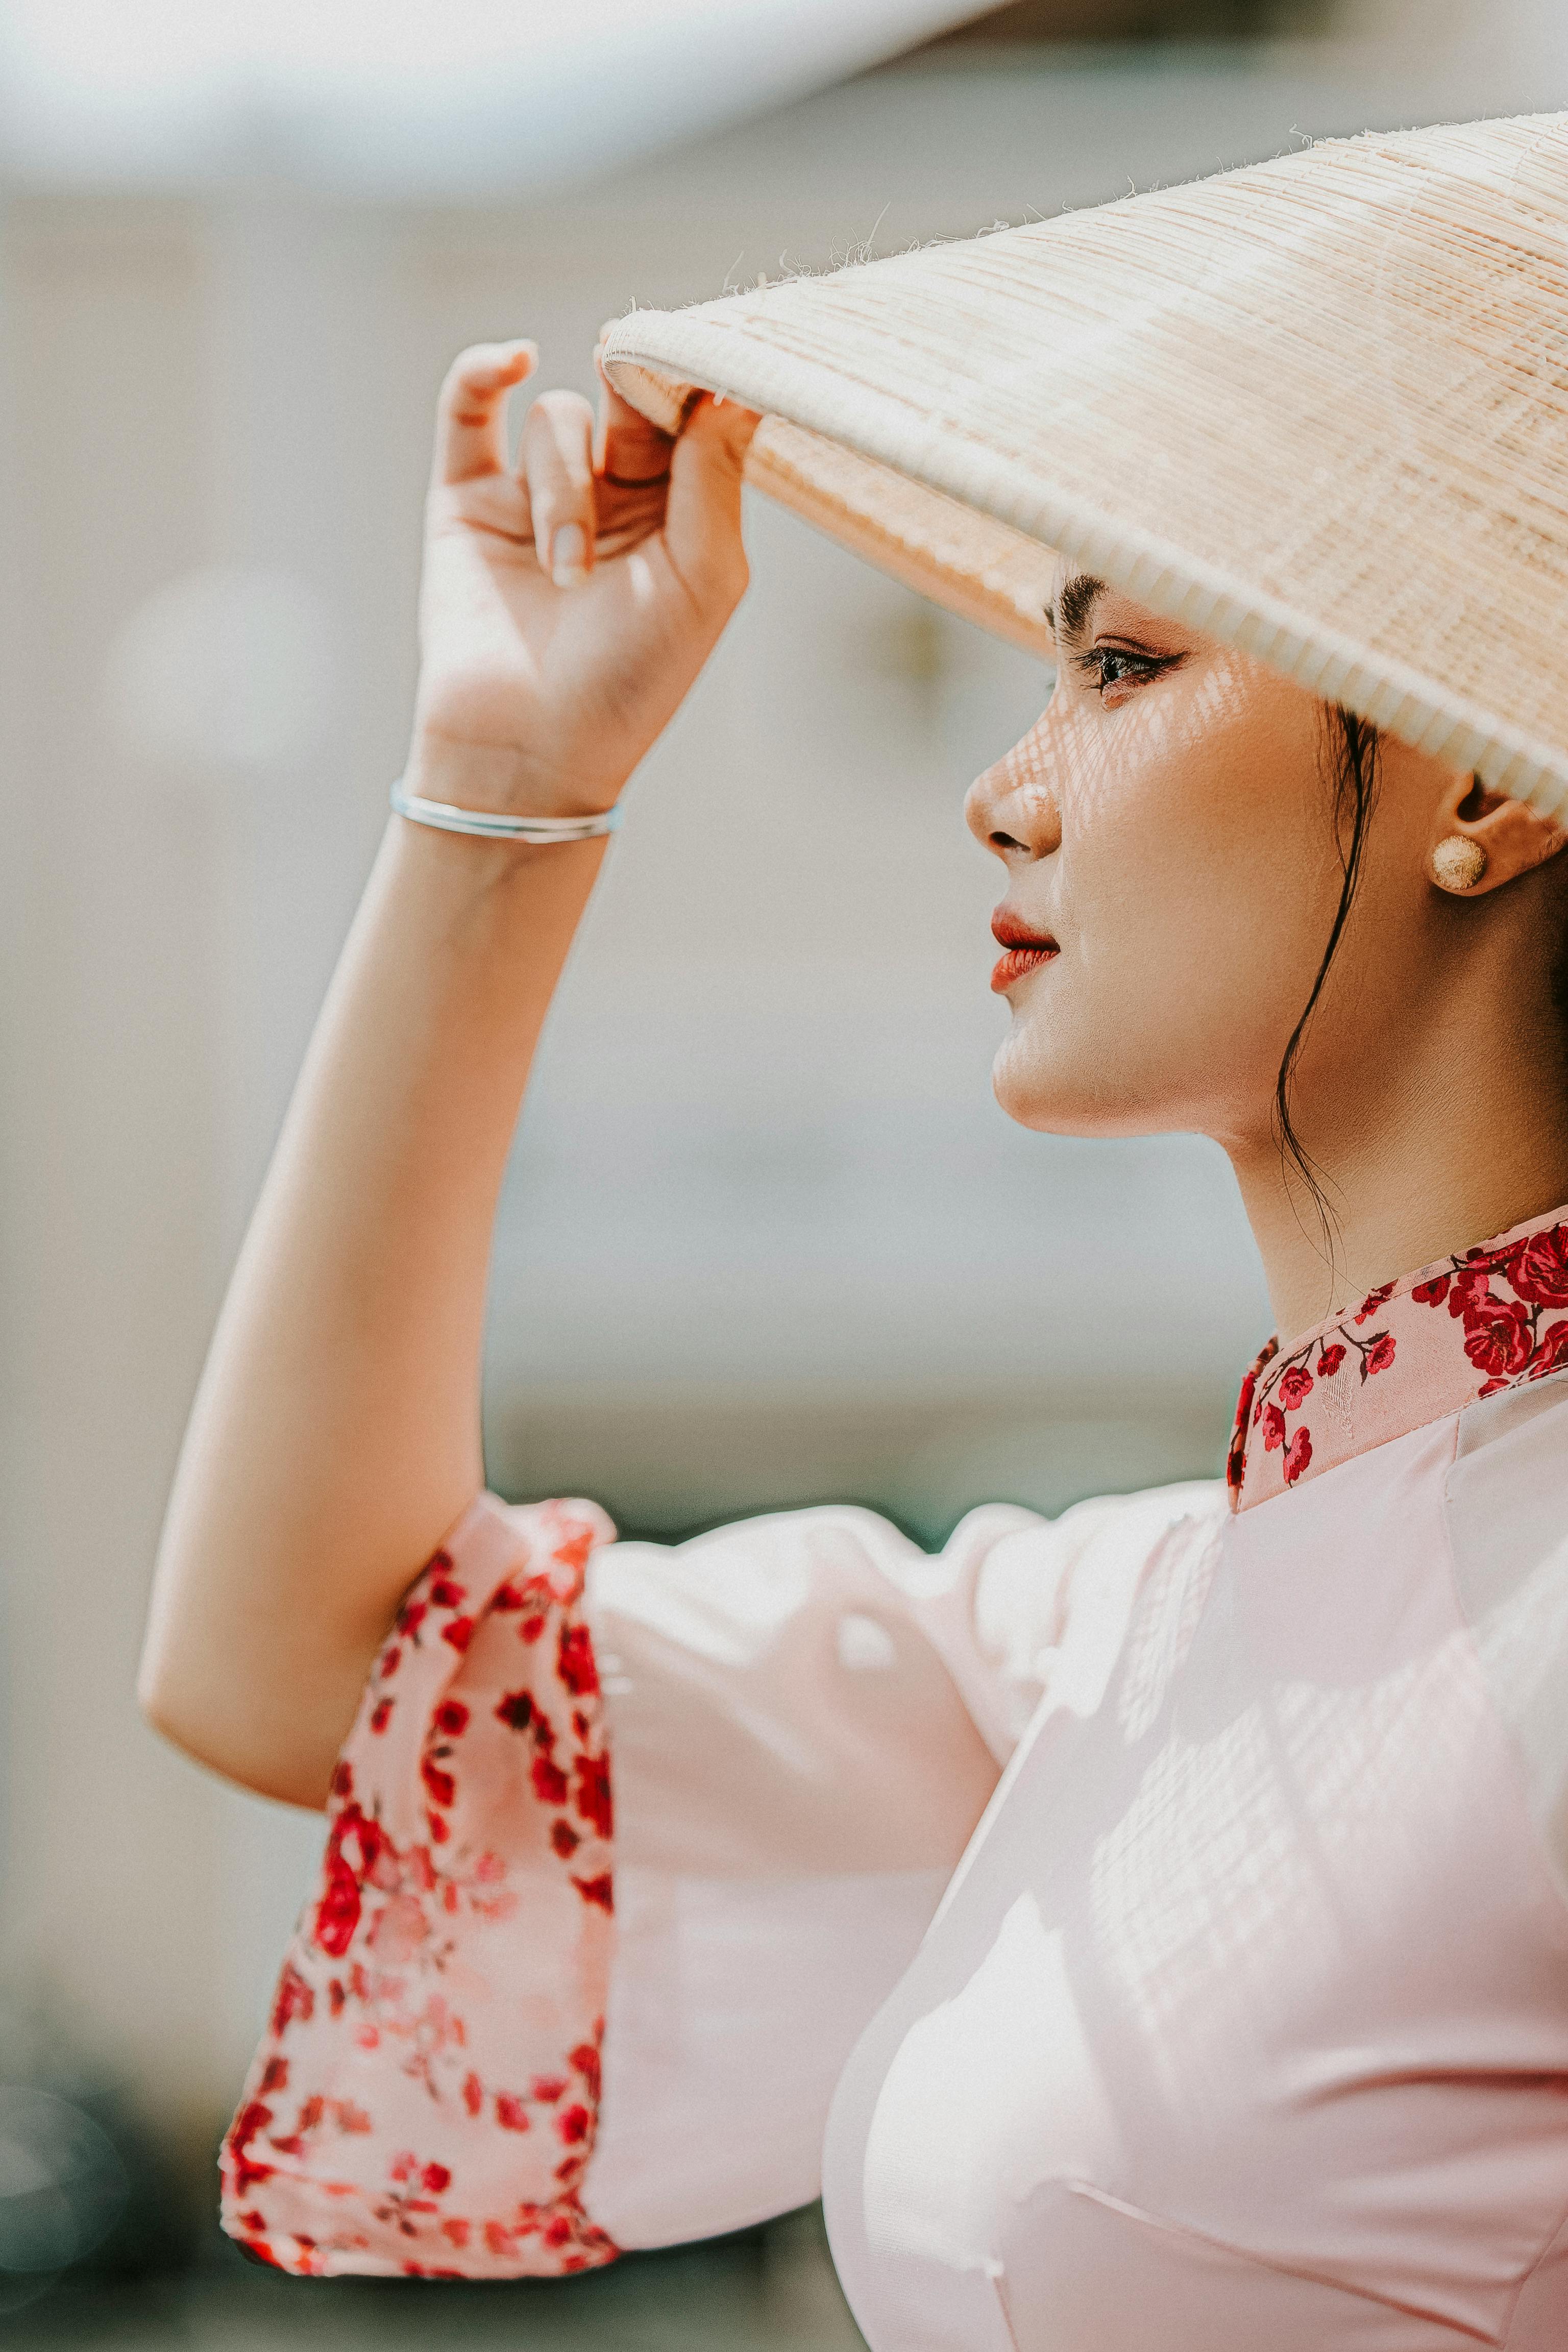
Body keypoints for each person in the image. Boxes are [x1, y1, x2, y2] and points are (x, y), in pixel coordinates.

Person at [140, 113, 1568, 2350]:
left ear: (1482, 784)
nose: (1006, 789)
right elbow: (304, 1668)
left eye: (1119, 667)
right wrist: (506, 795)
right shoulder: (1136, 1632)